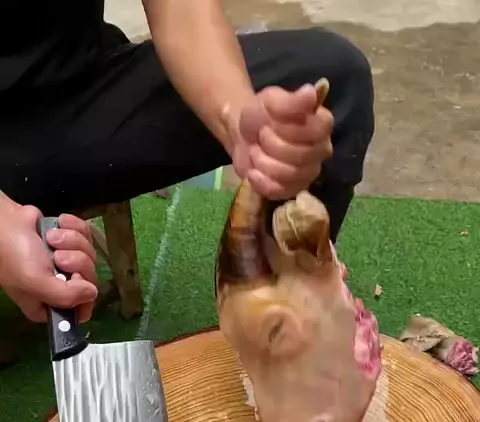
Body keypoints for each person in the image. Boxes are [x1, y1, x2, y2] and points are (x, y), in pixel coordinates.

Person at [0, 0, 374, 326]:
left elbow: (179, 9)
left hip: (80, 93)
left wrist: (239, 117)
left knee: (334, 76)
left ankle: (282, 320)